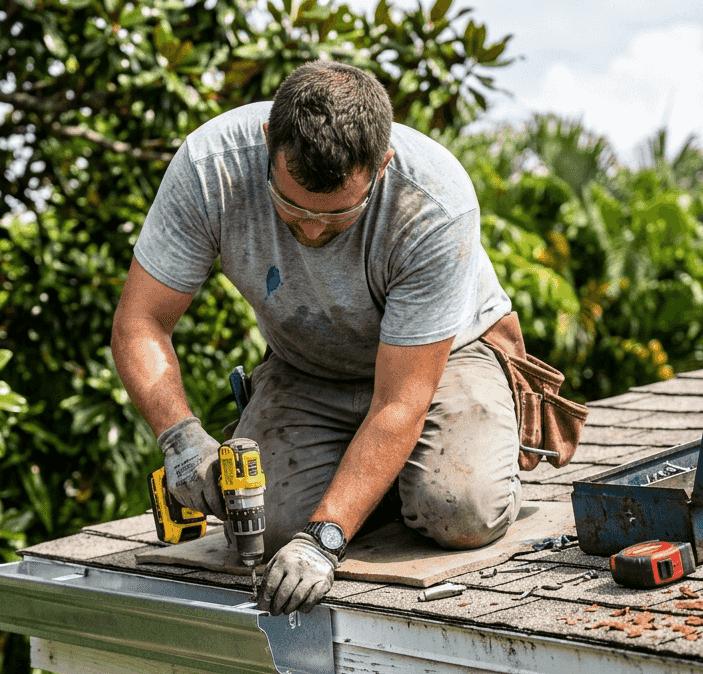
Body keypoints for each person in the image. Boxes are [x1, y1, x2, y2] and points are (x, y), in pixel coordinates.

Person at [112, 60, 525, 617]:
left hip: (443, 359)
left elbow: (400, 400)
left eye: (336, 217)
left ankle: (452, 458)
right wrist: (181, 439)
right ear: (267, 142)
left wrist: (324, 539)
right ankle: (373, 485)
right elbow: (141, 321)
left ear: (383, 165)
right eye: (291, 206)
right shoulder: (211, 167)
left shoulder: (435, 202)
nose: (309, 230)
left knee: (458, 510)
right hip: (305, 365)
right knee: (264, 528)